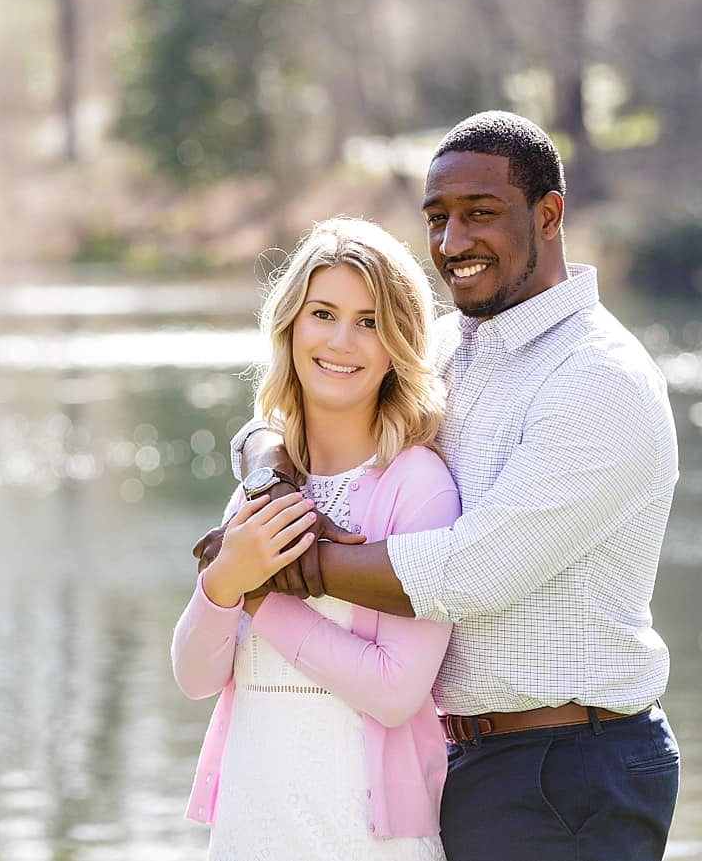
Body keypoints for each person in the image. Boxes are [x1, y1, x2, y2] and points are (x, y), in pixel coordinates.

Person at [199, 111, 681, 860]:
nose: (453, 242)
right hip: (464, 761)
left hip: (571, 767)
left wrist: (273, 567)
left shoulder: (597, 378)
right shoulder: (452, 348)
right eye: (437, 218)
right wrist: (269, 469)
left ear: (549, 215)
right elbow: (302, 405)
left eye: (480, 213)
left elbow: (471, 572)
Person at [174, 217, 460, 859]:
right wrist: (222, 584)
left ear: (398, 343)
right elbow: (195, 677)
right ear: (290, 326)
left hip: (365, 836)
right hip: (251, 829)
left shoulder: (419, 486)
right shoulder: (263, 487)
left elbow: (395, 692)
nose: (340, 341)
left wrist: (260, 596)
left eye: (369, 322)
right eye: (323, 313)